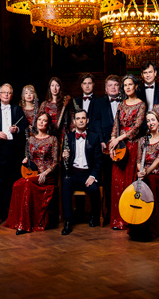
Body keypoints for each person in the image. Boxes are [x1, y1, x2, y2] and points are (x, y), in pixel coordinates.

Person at [5, 112, 58, 234]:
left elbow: (55, 162)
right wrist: (25, 160)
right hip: (32, 174)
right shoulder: (30, 139)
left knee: (27, 183)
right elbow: (28, 157)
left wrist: (44, 173)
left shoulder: (53, 139)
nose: (41, 122)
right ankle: (17, 221)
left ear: (48, 124)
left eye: (44, 120)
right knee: (17, 184)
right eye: (39, 119)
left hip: (45, 176)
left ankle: (24, 225)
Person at [0, 83, 28, 221]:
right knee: (0, 180)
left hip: (14, 149)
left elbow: (24, 126)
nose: (6, 95)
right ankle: (2, 213)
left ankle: (13, 212)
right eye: (4, 92)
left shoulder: (17, 109)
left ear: (12, 95)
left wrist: (17, 129)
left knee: (13, 179)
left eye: (9, 93)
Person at [108, 74, 146, 230]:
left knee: (129, 183)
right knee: (117, 182)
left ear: (136, 86)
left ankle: (130, 219)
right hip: (119, 147)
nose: (127, 87)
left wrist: (119, 138)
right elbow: (116, 125)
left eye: (130, 84)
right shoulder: (121, 104)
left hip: (132, 146)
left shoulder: (141, 105)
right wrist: (112, 143)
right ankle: (118, 220)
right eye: (125, 85)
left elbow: (137, 127)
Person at [128, 111, 159, 242]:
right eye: (148, 121)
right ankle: (137, 226)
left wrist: (147, 172)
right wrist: (141, 171)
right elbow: (138, 160)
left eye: (153, 120)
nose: (151, 123)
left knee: (150, 181)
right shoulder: (142, 140)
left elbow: (158, 160)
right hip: (144, 173)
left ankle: (151, 228)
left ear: (158, 122)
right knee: (137, 184)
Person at [61, 109, 102, 235]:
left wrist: (93, 176)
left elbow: (98, 161)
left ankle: (94, 215)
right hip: (73, 173)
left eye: (83, 118)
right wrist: (64, 158)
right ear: (74, 121)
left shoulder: (94, 137)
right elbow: (64, 164)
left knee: (94, 189)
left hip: (87, 174)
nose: (80, 121)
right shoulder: (68, 137)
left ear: (87, 120)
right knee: (65, 183)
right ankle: (68, 221)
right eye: (78, 118)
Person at [95, 74, 120, 224]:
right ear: (105, 88)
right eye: (110, 85)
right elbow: (96, 123)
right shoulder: (99, 102)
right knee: (109, 182)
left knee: (122, 180)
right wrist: (101, 141)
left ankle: (123, 212)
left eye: (116, 85)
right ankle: (110, 213)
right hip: (106, 147)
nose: (113, 88)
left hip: (123, 146)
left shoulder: (125, 101)